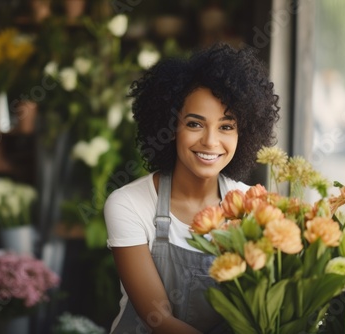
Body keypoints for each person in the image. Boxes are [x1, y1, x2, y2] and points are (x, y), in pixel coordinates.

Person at [104, 43, 280, 333]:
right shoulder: (128, 204)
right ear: (171, 126)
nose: (211, 142)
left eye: (226, 126)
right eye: (195, 124)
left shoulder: (252, 206)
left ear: (244, 133)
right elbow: (158, 320)